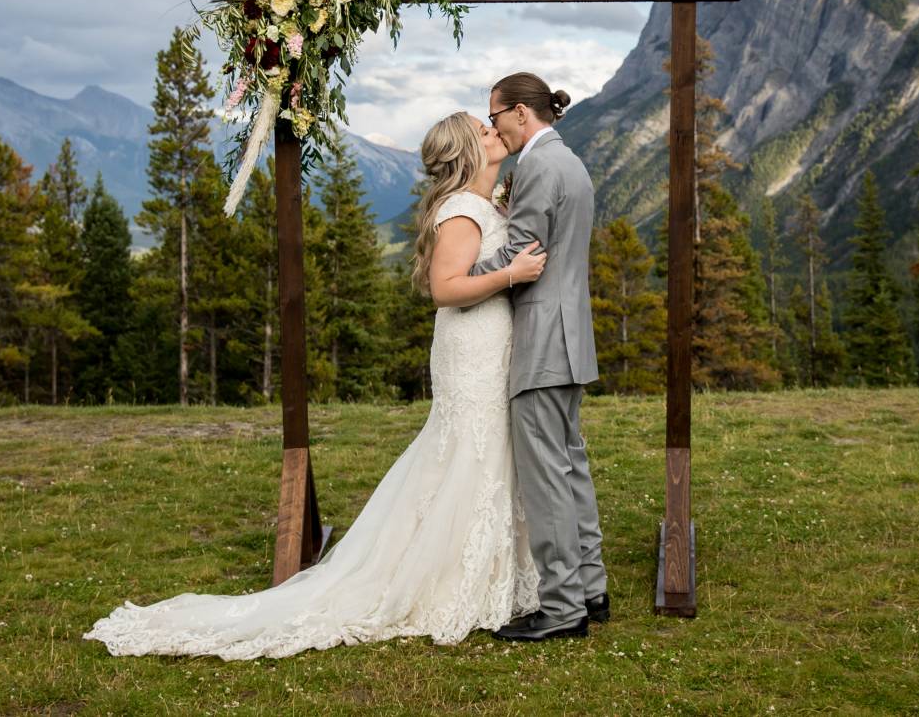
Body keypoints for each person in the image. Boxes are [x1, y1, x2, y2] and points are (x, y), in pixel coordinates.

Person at [83, 111, 546, 659]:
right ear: (469, 152)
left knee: (483, 453)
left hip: (488, 342)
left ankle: (488, 570)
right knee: (471, 450)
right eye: (483, 130)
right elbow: (446, 288)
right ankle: (453, 579)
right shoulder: (464, 211)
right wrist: (512, 275)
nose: (495, 132)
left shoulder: (482, 205)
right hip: (471, 348)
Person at [474, 71, 608, 642]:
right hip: (571, 333)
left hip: (542, 339)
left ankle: (560, 608)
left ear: (521, 114)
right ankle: (591, 589)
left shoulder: (535, 166)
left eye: (496, 115)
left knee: (546, 477)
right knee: (570, 465)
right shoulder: (570, 162)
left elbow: (518, 252)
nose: (493, 126)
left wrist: (457, 277)